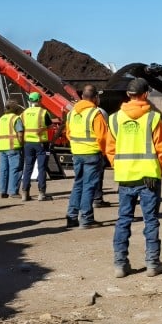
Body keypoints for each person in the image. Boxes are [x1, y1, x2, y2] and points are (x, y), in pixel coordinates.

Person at [106, 77, 162, 278]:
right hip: (149, 178)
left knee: (123, 219)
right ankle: (152, 263)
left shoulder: (115, 118)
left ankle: (120, 265)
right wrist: (158, 171)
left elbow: (110, 149)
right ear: (146, 94)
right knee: (150, 221)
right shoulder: (153, 118)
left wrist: (120, 167)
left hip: (125, 178)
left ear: (128, 94)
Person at [65, 85, 108, 229]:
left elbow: (68, 134)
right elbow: (103, 137)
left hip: (77, 153)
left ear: (82, 97)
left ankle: (71, 217)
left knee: (78, 184)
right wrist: (103, 153)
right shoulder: (95, 114)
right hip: (92, 154)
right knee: (89, 186)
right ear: (95, 97)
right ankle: (86, 218)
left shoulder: (72, 113)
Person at [20, 92, 54, 201]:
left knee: (28, 168)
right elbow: (50, 126)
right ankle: (42, 194)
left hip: (27, 144)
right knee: (41, 168)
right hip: (41, 144)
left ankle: (25, 193)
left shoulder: (24, 113)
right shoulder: (43, 112)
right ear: (39, 100)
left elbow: (20, 128)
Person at [0, 101, 25, 199]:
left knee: (3, 170)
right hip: (13, 147)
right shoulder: (16, 119)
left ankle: (2, 191)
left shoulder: (0, 119)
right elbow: (20, 133)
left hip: (2, 147)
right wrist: (22, 144)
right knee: (15, 169)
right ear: (15, 109)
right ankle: (13, 192)